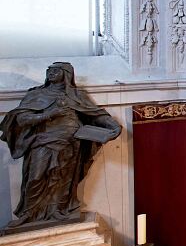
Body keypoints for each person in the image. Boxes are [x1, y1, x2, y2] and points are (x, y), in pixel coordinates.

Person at [1, 63, 121, 230]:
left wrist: (114, 127)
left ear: (66, 74)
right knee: (35, 177)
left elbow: (95, 114)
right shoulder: (36, 94)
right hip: (42, 141)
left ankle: (58, 209)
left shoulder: (76, 95)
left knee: (63, 178)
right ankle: (29, 213)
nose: (51, 73)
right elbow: (21, 120)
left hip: (70, 142)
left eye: (56, 71)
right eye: (49, 70)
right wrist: (48, 115)